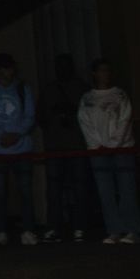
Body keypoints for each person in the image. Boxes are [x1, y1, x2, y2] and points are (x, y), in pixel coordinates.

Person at [0, 53, 39, 246]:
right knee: (0, 193)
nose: (9, 71)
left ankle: (28, 230)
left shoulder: (23, 90)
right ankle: (1, 232)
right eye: (5, 67)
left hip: (20, 148)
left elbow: (30, 116)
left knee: (26, 192)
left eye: (11, 67)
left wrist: (15, 134)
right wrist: (3, 134)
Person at [78, 61, 140, 244]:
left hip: (122, 147)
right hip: (98, 150)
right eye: (102, 70)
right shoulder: (87, 99)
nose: (106, 74)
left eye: (108, 70)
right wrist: (97, 144)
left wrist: (113, 144)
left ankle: (132, 229)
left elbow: (124, 120)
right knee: (105, 191)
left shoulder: (120, 95)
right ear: (94, 73)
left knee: (126, 188)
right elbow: (85, 123)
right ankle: (114, 229)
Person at [39, 53, 95, 243]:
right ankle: (54, 226)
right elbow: (41, 117)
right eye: (59, 66)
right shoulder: (49, 90)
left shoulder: (83, 89)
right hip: (55, 146)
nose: (62, 69)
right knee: (54, 188)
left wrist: (72, 111)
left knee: (79, 187)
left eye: (65, 65)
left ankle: (80, 225)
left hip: (77, 145)